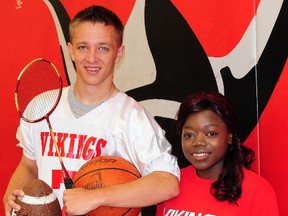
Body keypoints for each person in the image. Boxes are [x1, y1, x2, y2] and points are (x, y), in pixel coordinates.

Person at [3, 5, 180, 216]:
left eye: (103, 48)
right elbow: (29, 165)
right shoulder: (42, 106)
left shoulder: (132, 117)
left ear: (119, 53)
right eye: (83, 47)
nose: (92, 58)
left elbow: (167, 182)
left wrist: (97, 197)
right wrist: (12, 195)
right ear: (70, 50)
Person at [156, 91, 279, 216]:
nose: (198, 142)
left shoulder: (256, 191)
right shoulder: (172, 182)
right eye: (189, 135)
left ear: (229, 136)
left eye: (211, 133)